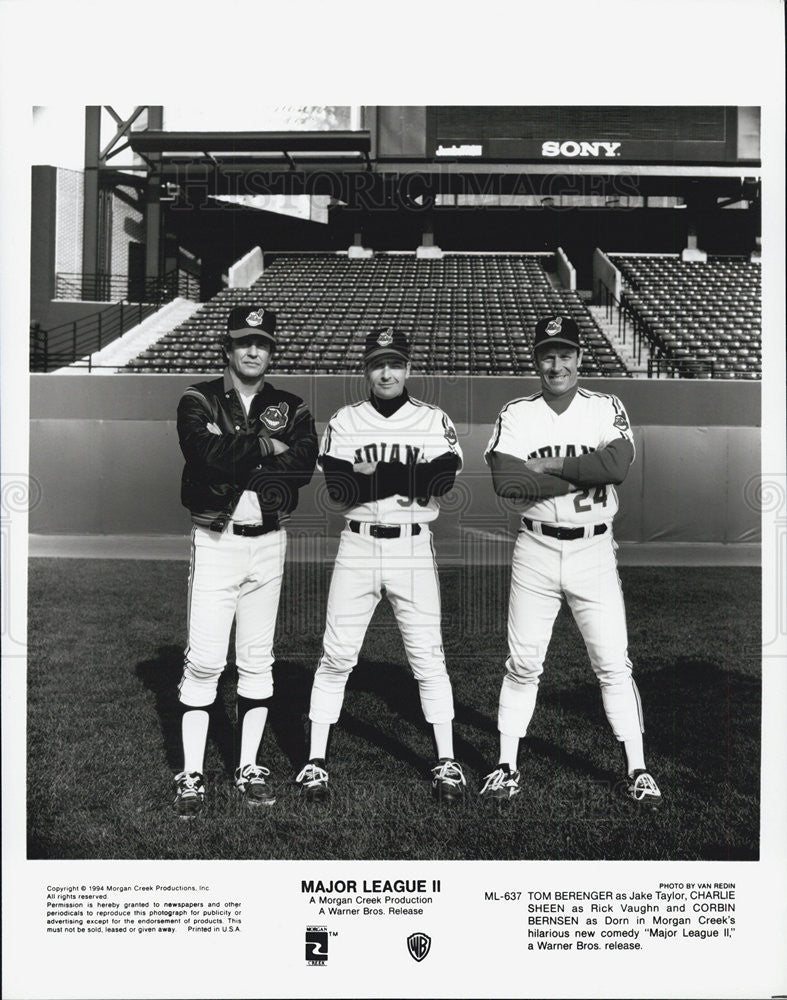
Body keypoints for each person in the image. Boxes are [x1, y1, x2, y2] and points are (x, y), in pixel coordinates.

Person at [482, 314, 662, 809]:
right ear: (536, 359)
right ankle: (505, 765)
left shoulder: (605, 406)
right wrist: (584, 472)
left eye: (564, 353)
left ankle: (638, 769)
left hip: (593, 550)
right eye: (547, 354)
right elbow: (508, 484)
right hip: (535, 549)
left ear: (580, 358)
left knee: (612, 663)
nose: (556, 363)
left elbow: (618, 467)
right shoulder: (517, 412)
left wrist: (551, 466)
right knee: (523, 663)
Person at [296, 327, 466, 804]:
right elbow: (340, 490)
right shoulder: (346, 420)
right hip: (359, 548)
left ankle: (447, 762)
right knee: (337, 655)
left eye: (394, 363)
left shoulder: (432, 418)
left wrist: (375, 475)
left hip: (413, 547)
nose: (386, 372)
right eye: (377, 364)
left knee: (428, 658)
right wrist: (407, 475)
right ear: (366, 370)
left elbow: (444, 480)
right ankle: (314, 762)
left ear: (408, 368)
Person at [173, 305, 318, 817]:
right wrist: (264, 446)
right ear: (227, 348)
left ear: (271, 350)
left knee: (257, 661)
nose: (253, 350)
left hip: (269, 539)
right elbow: (200, 453)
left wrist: (235, 447)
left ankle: (247, 765)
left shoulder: (292, 405)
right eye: (243, 342)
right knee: (207, 660)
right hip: (216, 540)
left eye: (262, 342)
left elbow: (301, 467)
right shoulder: (199, 397)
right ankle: (191, 773)